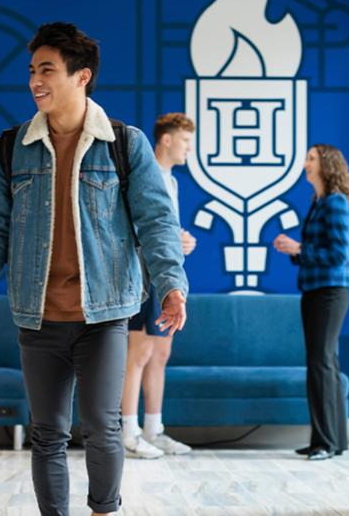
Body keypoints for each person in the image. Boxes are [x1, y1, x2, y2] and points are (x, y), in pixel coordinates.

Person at [0, 22, 188, 516]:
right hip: (38, 317)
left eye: (47, 70)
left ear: (81, 76)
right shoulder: (10, 147)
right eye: (32, 71)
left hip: (104, 314)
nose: (35, 81)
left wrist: (171, 285)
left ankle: (104, 511)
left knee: (102, 427)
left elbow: (156, 223)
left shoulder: (124, 145)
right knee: (47, 433)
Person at [120, 113, 197, 459]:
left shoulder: (174, 181)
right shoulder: (142, 171)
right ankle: (127, 432)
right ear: (166, 140)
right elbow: (133, 225)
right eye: (185, 142)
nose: (188, 149)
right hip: (140, 275)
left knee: (161, 353)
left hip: (165, 277)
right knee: (139, 352)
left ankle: (154, 428)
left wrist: (180, 243)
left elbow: (165, 228)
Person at [273, 144, 349, 461]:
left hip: (330, 292)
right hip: (317, 290)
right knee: (325, 364)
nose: (305, 163)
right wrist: (297, 250)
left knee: (321, 365)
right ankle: (330, 440)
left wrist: (298, 248)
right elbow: (321, 251)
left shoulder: (334, 204)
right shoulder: (320, 201)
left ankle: (325, 442)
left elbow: (337, 254)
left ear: (326, 164)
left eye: (311, 158)